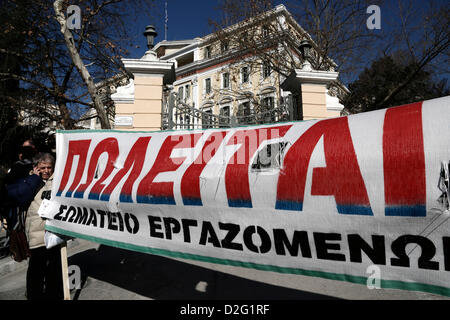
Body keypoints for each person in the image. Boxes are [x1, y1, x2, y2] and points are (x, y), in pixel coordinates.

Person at [7, 152, 63, 300]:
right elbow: (18, 196)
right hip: (36, 234)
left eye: (49, 167)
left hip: (55, 233)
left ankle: (54, 295)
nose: (46, 171)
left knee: (55, 269)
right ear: (36, 167)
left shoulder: (58, 181)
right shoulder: (28, 181)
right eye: (43, 167)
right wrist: (34, 179)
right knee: (36, 270)